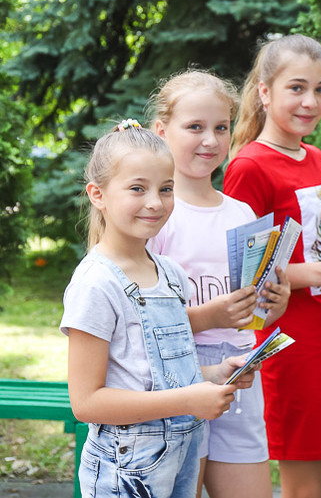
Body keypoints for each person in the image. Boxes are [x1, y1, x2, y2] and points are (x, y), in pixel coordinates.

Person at [223, 34, 321, 498]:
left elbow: (319, 250)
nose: (311, 102)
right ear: (265, 91)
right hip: (291, 342)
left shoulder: (315, 156)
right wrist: (318, 275)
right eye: (296, 88)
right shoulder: (249, 166)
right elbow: (244, 273)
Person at [61, 120, 258, 498]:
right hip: (127, 471)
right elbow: (86, 402)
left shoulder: (170, 274)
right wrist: (189, 400)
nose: (155, 202)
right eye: (138, 188)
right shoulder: (95, 284)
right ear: (97, 194)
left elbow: (153, 375)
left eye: (166, 189)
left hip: (183, 458)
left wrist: (215, 375)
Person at [146, 70, 291, 498]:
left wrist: (273, 303)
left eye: (221, 128)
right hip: (180, 376)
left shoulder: (242, 213)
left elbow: (253, 310)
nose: (210, 140)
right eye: (195, 127)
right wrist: (210, 316)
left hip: (241, 375)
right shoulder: (156, 214)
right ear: (162, 131)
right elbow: (141, 321)